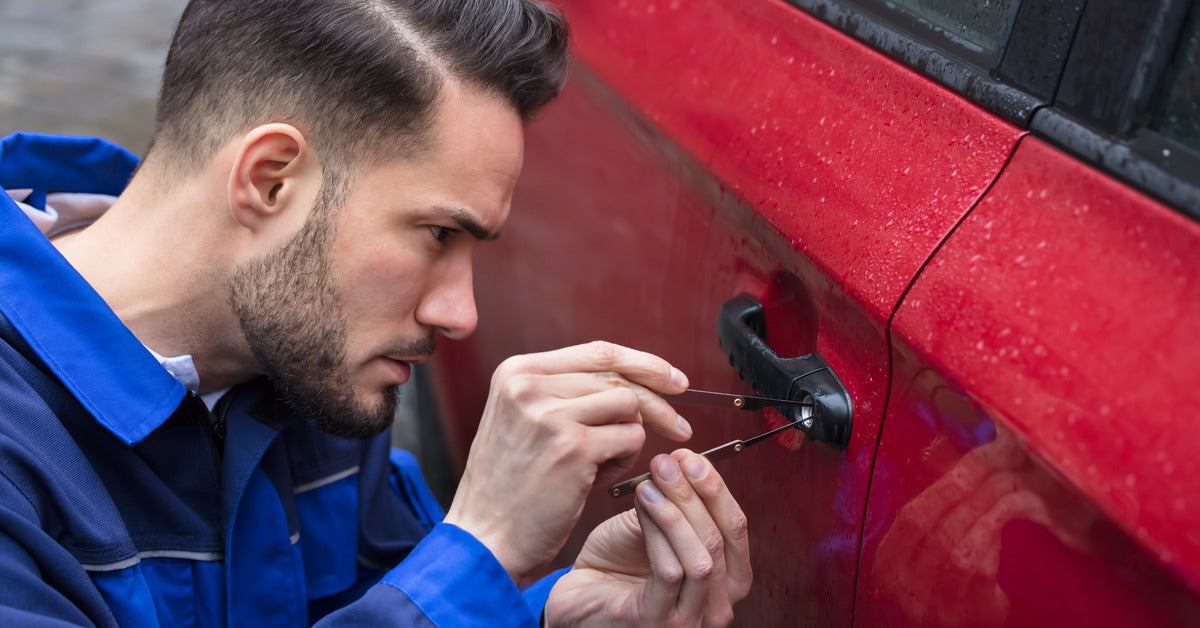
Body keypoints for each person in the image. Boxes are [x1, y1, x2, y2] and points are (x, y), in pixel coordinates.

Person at [0, 0, 753, 626]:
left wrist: (545, 614)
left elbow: (390, 599)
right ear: (270, 181)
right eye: (437, 234)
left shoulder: (306, 367)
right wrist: (480, 545)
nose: (460, 314)